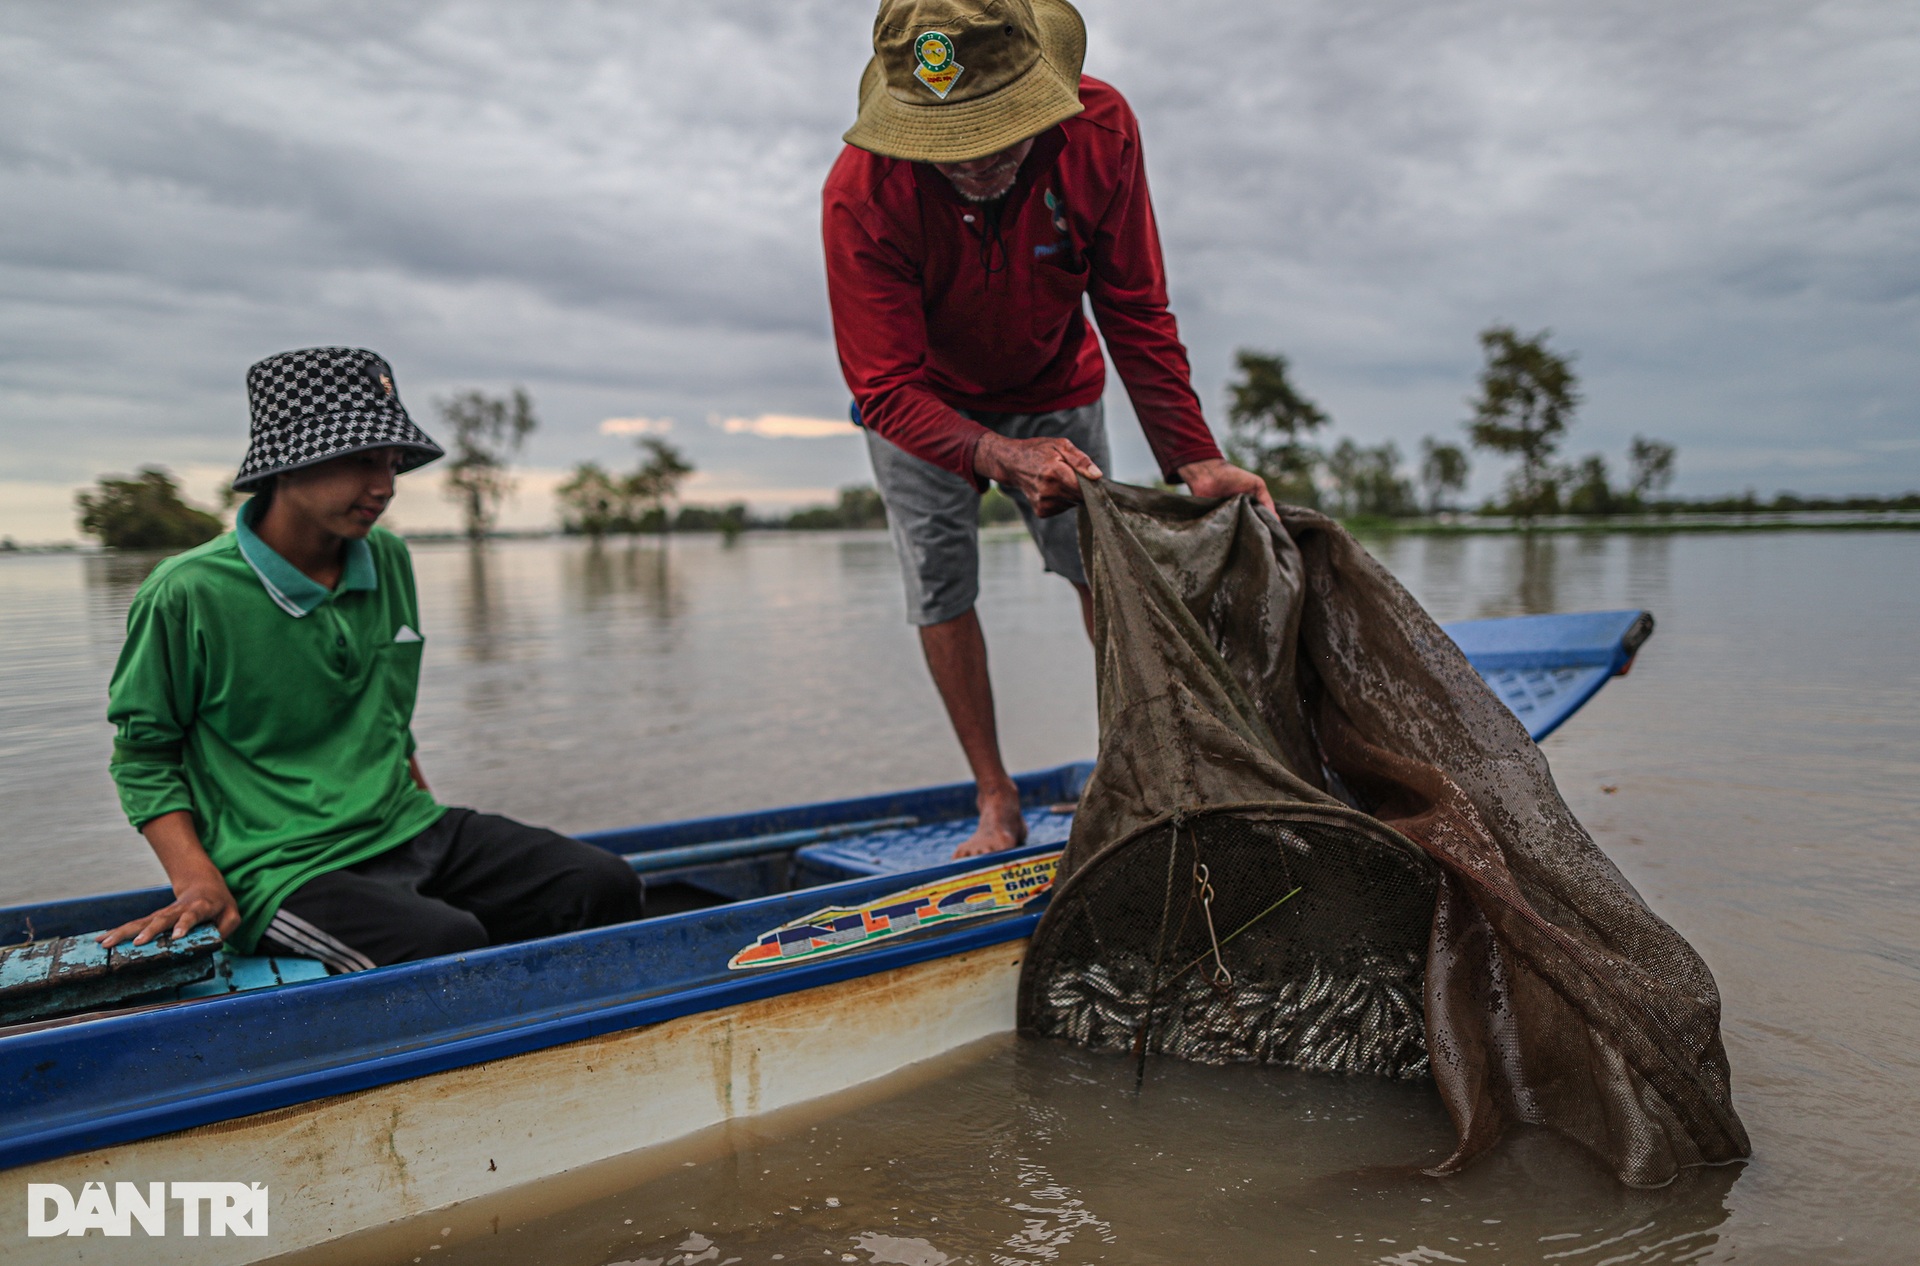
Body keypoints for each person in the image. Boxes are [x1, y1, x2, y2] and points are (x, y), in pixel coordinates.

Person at [825, 0, 1273, 857]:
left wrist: (1195, 457)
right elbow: (882, 385)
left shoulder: (1102, 129)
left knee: (1102, 569)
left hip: (1055, 380)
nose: (980, 164)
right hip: (920, 404)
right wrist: (993, 450)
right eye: (951, 146)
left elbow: (1134, 308)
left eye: (999, 135)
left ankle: (1140, 767)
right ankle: (995, 797)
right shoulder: (863, 193)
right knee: (940, 585)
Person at [99, 347, 643, 968]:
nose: (383, 487)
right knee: (445, 945)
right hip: (280, 864)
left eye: (392, 464)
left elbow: (385, 717)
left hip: (405, 826)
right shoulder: (187, 593)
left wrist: (428, 825)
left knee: (602, 885)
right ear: (288, 465)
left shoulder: (386, 558)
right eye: (360, 462)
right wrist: (198, 880)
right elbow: (144, 756)